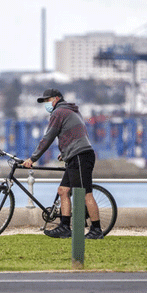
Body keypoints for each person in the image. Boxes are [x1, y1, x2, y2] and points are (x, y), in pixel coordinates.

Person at [21, 88, 103, 239]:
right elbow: (76, 133)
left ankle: (96, 230)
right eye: (44, 101)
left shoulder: (58, 113)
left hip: (80, 156)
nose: (46, 103)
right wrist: (65, 152)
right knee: (63, 191)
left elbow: (48, 137)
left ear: (57, 98)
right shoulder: (72, 111)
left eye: (48, 100)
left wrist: (32, 159)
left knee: (84, 194)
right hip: (77, 154)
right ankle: (64, 227)